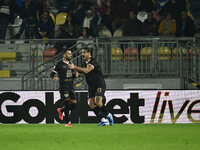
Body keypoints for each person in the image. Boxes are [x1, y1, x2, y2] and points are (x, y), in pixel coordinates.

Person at [68, 47, 114, 126]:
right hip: (91, 86)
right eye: (82, 52)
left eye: (84, 52)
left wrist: (74, 67)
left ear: (89, 53)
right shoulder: (85, 63)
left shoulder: (93, 61)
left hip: (99, 84)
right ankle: (103, 120)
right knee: (91, 104)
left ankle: (109, 115)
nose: (83, 54)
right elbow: (84, 72)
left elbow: (87, 70)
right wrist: (78, 74)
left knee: (98, 102)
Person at [50, 49, 79, 127]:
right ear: (64, 55)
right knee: (67, 104)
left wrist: (75, 75)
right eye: (69, 54)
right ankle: (67, 122)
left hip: (71, 87)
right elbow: (52, 74)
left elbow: (71, 75)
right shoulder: (59, 64)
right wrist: (54, 78)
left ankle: (61, 110)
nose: (70, 55)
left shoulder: (71, 64)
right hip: (63, 87)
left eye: (70, 54)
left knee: (74, 105)